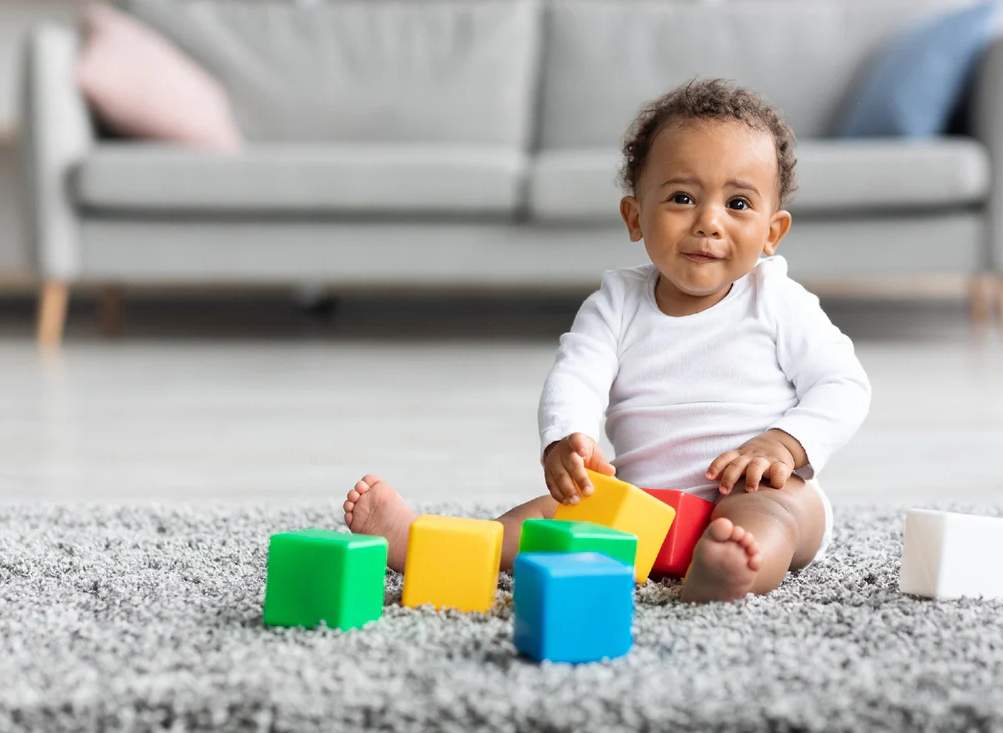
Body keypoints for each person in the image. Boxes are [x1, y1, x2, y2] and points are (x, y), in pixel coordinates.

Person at [343, 79, 871, 603]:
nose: (709, 222)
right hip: (644, 509)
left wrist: (783, 444)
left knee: (771, 519)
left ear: (772, 233)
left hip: (759, 489)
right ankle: (426, 543)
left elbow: (843, 384)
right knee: (547, 516)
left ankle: (727, 572)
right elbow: (576, 376)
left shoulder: (777, 299)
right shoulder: (616, 302)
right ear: (635, 217)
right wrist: (567, 439)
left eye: (738, 204)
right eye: (683, 197)